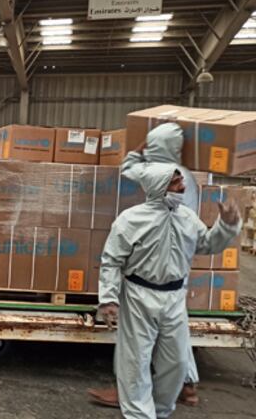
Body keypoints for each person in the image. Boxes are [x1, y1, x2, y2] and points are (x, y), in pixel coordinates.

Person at [97, 163, 240, 419]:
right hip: (139, 296)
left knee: (176, 363)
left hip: (174, 298)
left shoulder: (187, 217)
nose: (182, 187)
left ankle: (160, 411)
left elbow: (207, 244)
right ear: (158, 187)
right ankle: (140, 415)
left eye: (181, 182)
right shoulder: (130, 220)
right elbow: (111, 260)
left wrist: (227, 226)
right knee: (135, 362)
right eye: (175, 183)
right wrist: (108, 298)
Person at [89, 123, 201, 407]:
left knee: (136, 344)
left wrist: (136, 152)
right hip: (176, 263)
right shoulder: (185, 175)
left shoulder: (160, 174)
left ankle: (128, 391)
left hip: (154, 269)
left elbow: (129, 169)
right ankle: (187, 386)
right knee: (174, 336)